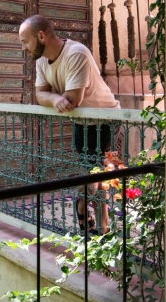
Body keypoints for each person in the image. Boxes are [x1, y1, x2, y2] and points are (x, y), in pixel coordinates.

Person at [18, 14, 120, 234]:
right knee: (92, 172)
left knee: (95, 173)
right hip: (81, 121)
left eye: (25, 42)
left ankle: (95, 217)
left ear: (41, 36)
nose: (23, 48)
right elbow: (40, 95)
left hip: (105, 119)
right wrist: (55, 98)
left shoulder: (76, 53)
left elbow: (73, 100)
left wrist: (56, 96)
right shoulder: (42, 62)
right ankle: (95, 216)